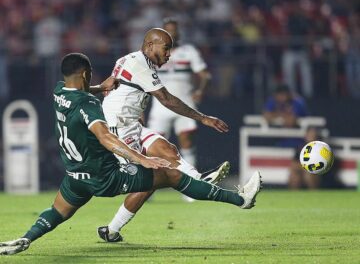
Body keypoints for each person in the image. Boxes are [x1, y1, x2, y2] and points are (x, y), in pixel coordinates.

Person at [0, 53, 262, 255]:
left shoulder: (59, 92)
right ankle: (241, 200)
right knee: (169, 174)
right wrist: (142, 159)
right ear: (85, 73)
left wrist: (99, 88)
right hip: (105, 176)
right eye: (89, 75)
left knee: (58, 212)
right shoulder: (88, 104)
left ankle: (26, 239)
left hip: (74, 176)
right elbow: (105, 137)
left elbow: (78, 93)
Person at [97, 27, 231, 242]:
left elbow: (114, 87)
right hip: (119, 128)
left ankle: (199, 179)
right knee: (150, 179)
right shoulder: (141, 65)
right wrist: (204, 118)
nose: (169, 54)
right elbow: (167, 99)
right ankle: (112, 229)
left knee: (168, 149)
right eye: (166, 48)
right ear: (150, 46)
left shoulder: (129, 59)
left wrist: (136, 110)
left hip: (130, 123)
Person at [147, 18, 211, 168]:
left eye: (174, 30)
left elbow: (205, 75)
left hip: (185, 104)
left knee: (187, 143)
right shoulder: (153, 54)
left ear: (179, 33)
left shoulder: (189, 51)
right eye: (167, 30)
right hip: (160, 105)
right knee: (153, 146)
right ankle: (151, 188)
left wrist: (201, 90)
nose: (171, 33)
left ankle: (190, 188)